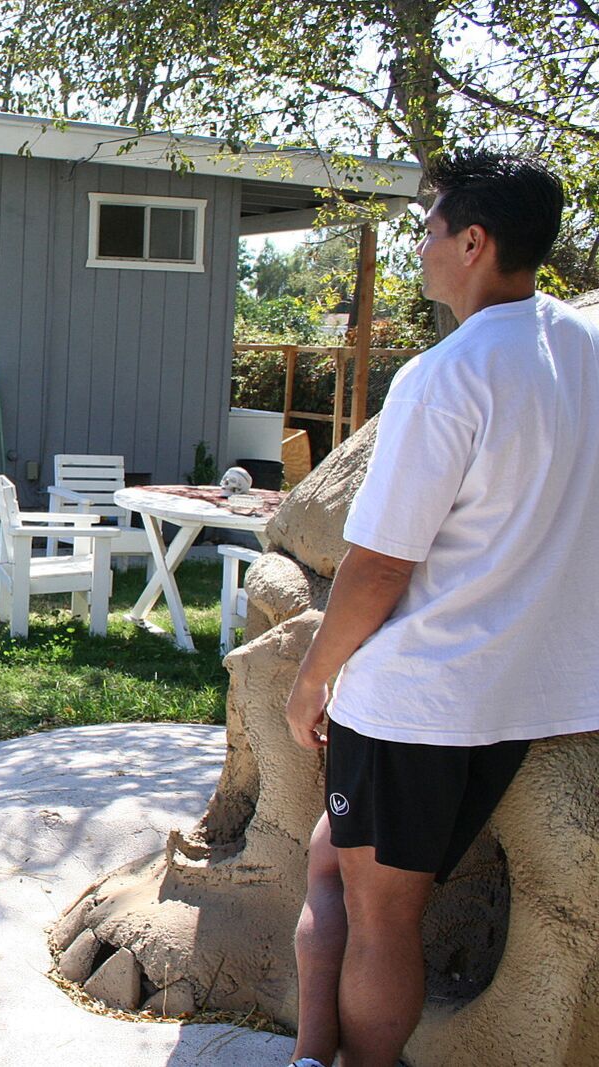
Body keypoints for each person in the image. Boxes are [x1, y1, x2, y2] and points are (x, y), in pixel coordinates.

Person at [282, 150, 599, 1067]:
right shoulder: (581, 351)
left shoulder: (445, 374)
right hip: (521, 702)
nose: (420, 249)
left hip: (416, 699)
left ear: (474, 239)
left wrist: (311, 681)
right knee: (332, 864)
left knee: (382, 918)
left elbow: (377, 568)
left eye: (428, 230)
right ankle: (311, 1058)